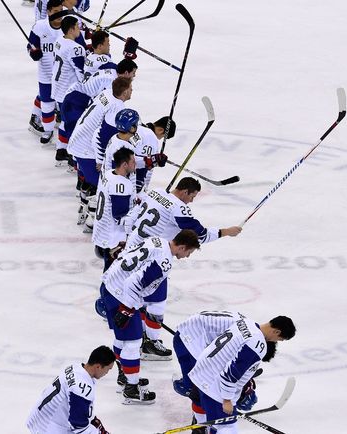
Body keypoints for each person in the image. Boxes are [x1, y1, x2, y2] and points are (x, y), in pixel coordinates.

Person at [124, 177, 243, 360]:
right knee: (157, 300)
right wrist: (226, 232)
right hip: (153, 256)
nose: (191, 201)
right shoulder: (178, 207)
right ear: (185, 191)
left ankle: (140, 334)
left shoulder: (155, 192)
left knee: (141, 296)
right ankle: (149, 343)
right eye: (192, 197)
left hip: (133, 248)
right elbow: (198, 235)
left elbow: (133, 215)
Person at [99, 229, 201, 405]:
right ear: (182, 247)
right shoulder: (164, 262)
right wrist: (127, 309)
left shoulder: (157, 240)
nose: (188, 256)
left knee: (121, 339)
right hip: (121, 295)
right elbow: (134, 283)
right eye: (189, 252)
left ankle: (124, 375)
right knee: (133, 342)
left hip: (110, 284)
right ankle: (131, 388)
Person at [187, 315, 296, 433]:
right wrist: (227, 399)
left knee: (211, 421)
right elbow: (231, 373)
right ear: (276, 331)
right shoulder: (257, 344)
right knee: (227, 428)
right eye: (279, 339)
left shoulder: (245, 323)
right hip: (214, 386)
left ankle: (200, 430)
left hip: (201, 374)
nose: (275, 341)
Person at [68, 77, 133, 232]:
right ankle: (92, 222)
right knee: (102, 185)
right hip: (86, 149)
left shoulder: (107, 93)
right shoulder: (117, 106)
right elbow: (103, 135)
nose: (132, 91)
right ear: (124, 92)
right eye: (131, 88)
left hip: (78, 139)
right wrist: (100, 160)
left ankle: (84, 210)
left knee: (90, 181)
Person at [26, 345, 116, 434]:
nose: (107, 373)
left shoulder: (76, 367)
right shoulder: (82, 389)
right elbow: (79, 426)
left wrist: (93, 421)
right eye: (108, 369)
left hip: (41, 416)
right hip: (47, 427)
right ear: (98, 367)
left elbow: (80, 410)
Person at [92, 146, 137, 271]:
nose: (135, 164)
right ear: (124, 165)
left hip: (102, 232)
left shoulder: (108, 174)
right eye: (133, 161)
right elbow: (119, 216)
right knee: (112, 275)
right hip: (114, 239)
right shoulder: (121, 184)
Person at [27, 0, 65, 139]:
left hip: (64, 76)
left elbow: (81, 41)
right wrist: (33, 53)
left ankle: (65, 134)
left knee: (65, 105)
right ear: (48, 12)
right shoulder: (39, 27)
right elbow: (30, 46)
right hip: (46, 74)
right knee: (47, 104)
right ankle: (48, 130)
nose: (59, 14)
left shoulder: (68, 25)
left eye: (61, 10)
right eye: (56, 11)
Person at [50, 16, 87, 152]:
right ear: (71, 29)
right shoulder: (75, 48)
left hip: (58, 89)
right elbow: (81, 73)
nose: (79, 29)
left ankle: (61, 150)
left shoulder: (59, 40)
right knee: (75, 125)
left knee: (65, 121)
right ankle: (73, 156)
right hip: (69, 93)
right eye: (77, 26)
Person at [134, 117, 176, 192]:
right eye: (163, 137)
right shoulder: (150, 137)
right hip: (132, 181)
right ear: (161, 130)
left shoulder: (138, 128)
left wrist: (156, 162)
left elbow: (140, 159)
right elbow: (142, 164)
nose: (160, 139)